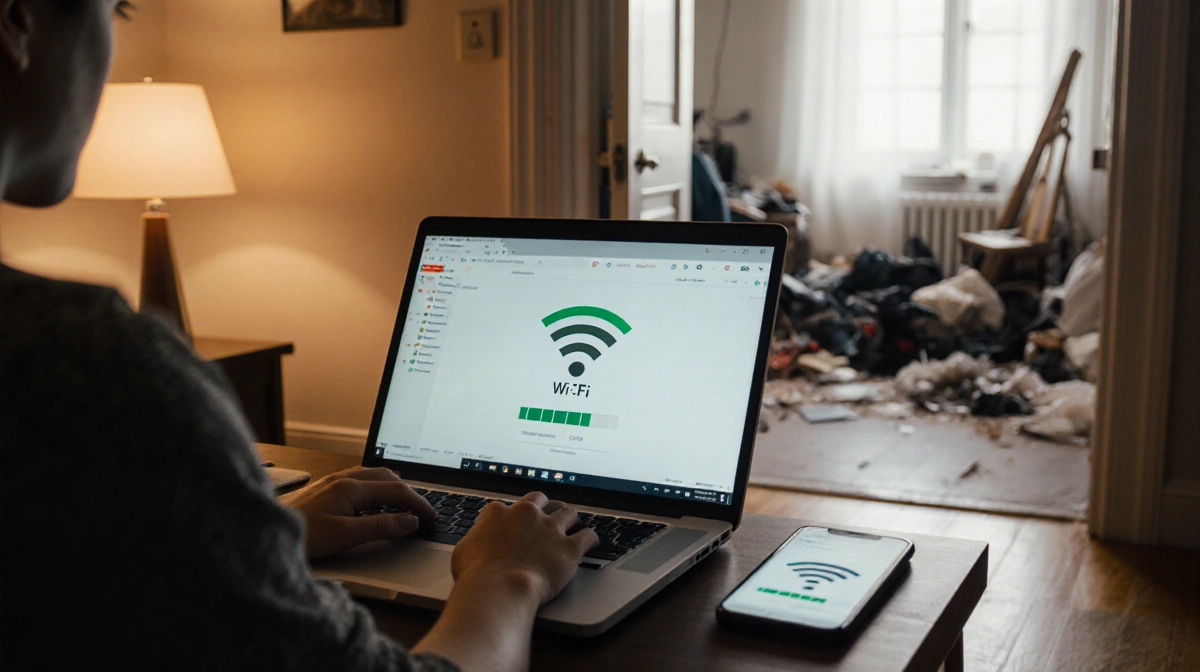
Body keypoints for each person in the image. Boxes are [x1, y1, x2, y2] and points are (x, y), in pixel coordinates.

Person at [0, 1, 598, 669]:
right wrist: (511, 575)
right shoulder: (95, 374)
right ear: (17, 20)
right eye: (116, 9)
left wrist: (246, 536)